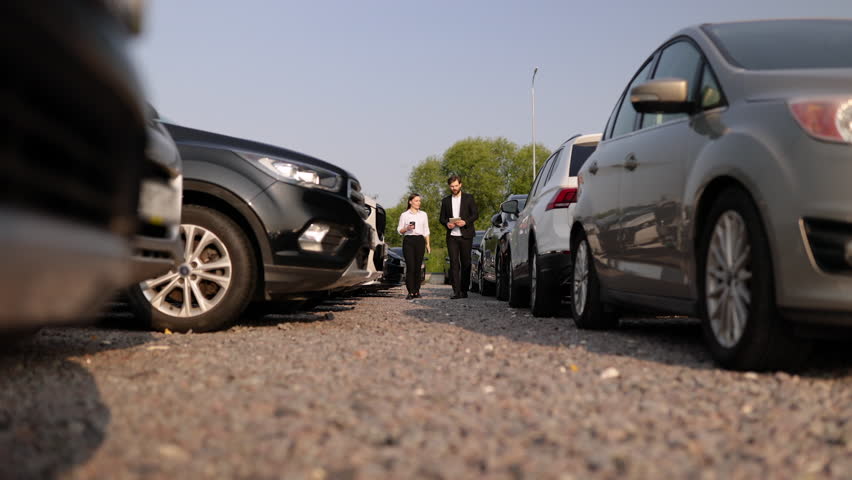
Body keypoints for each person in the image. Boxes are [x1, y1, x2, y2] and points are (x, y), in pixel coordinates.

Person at [439, 175, 478, 299]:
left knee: (466, 263)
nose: (454, 188)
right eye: (452, 186)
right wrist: (447, 224)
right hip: (452, 236)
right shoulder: (445, 201)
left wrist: (465, 222)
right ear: (449, 186)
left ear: (460, 185)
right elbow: (442, 218)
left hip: (466, 235)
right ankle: (456, 291)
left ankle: (464, 290)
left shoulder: (469, 198)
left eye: (456, 185)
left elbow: (475, 214)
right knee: (454, 263)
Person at [397, 193, 431, 300]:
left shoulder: (423, 214)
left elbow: (426, 230)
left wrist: (428, 244)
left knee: (417, 267)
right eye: (416, 201)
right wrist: (406, 228)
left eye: (419, 201)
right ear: (410, 202)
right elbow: (399, 230)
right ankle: (410, 291)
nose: (418, 203)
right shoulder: (404, 215)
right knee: (410, 267)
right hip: (409, 240)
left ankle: (417, 291)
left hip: (420, 240)